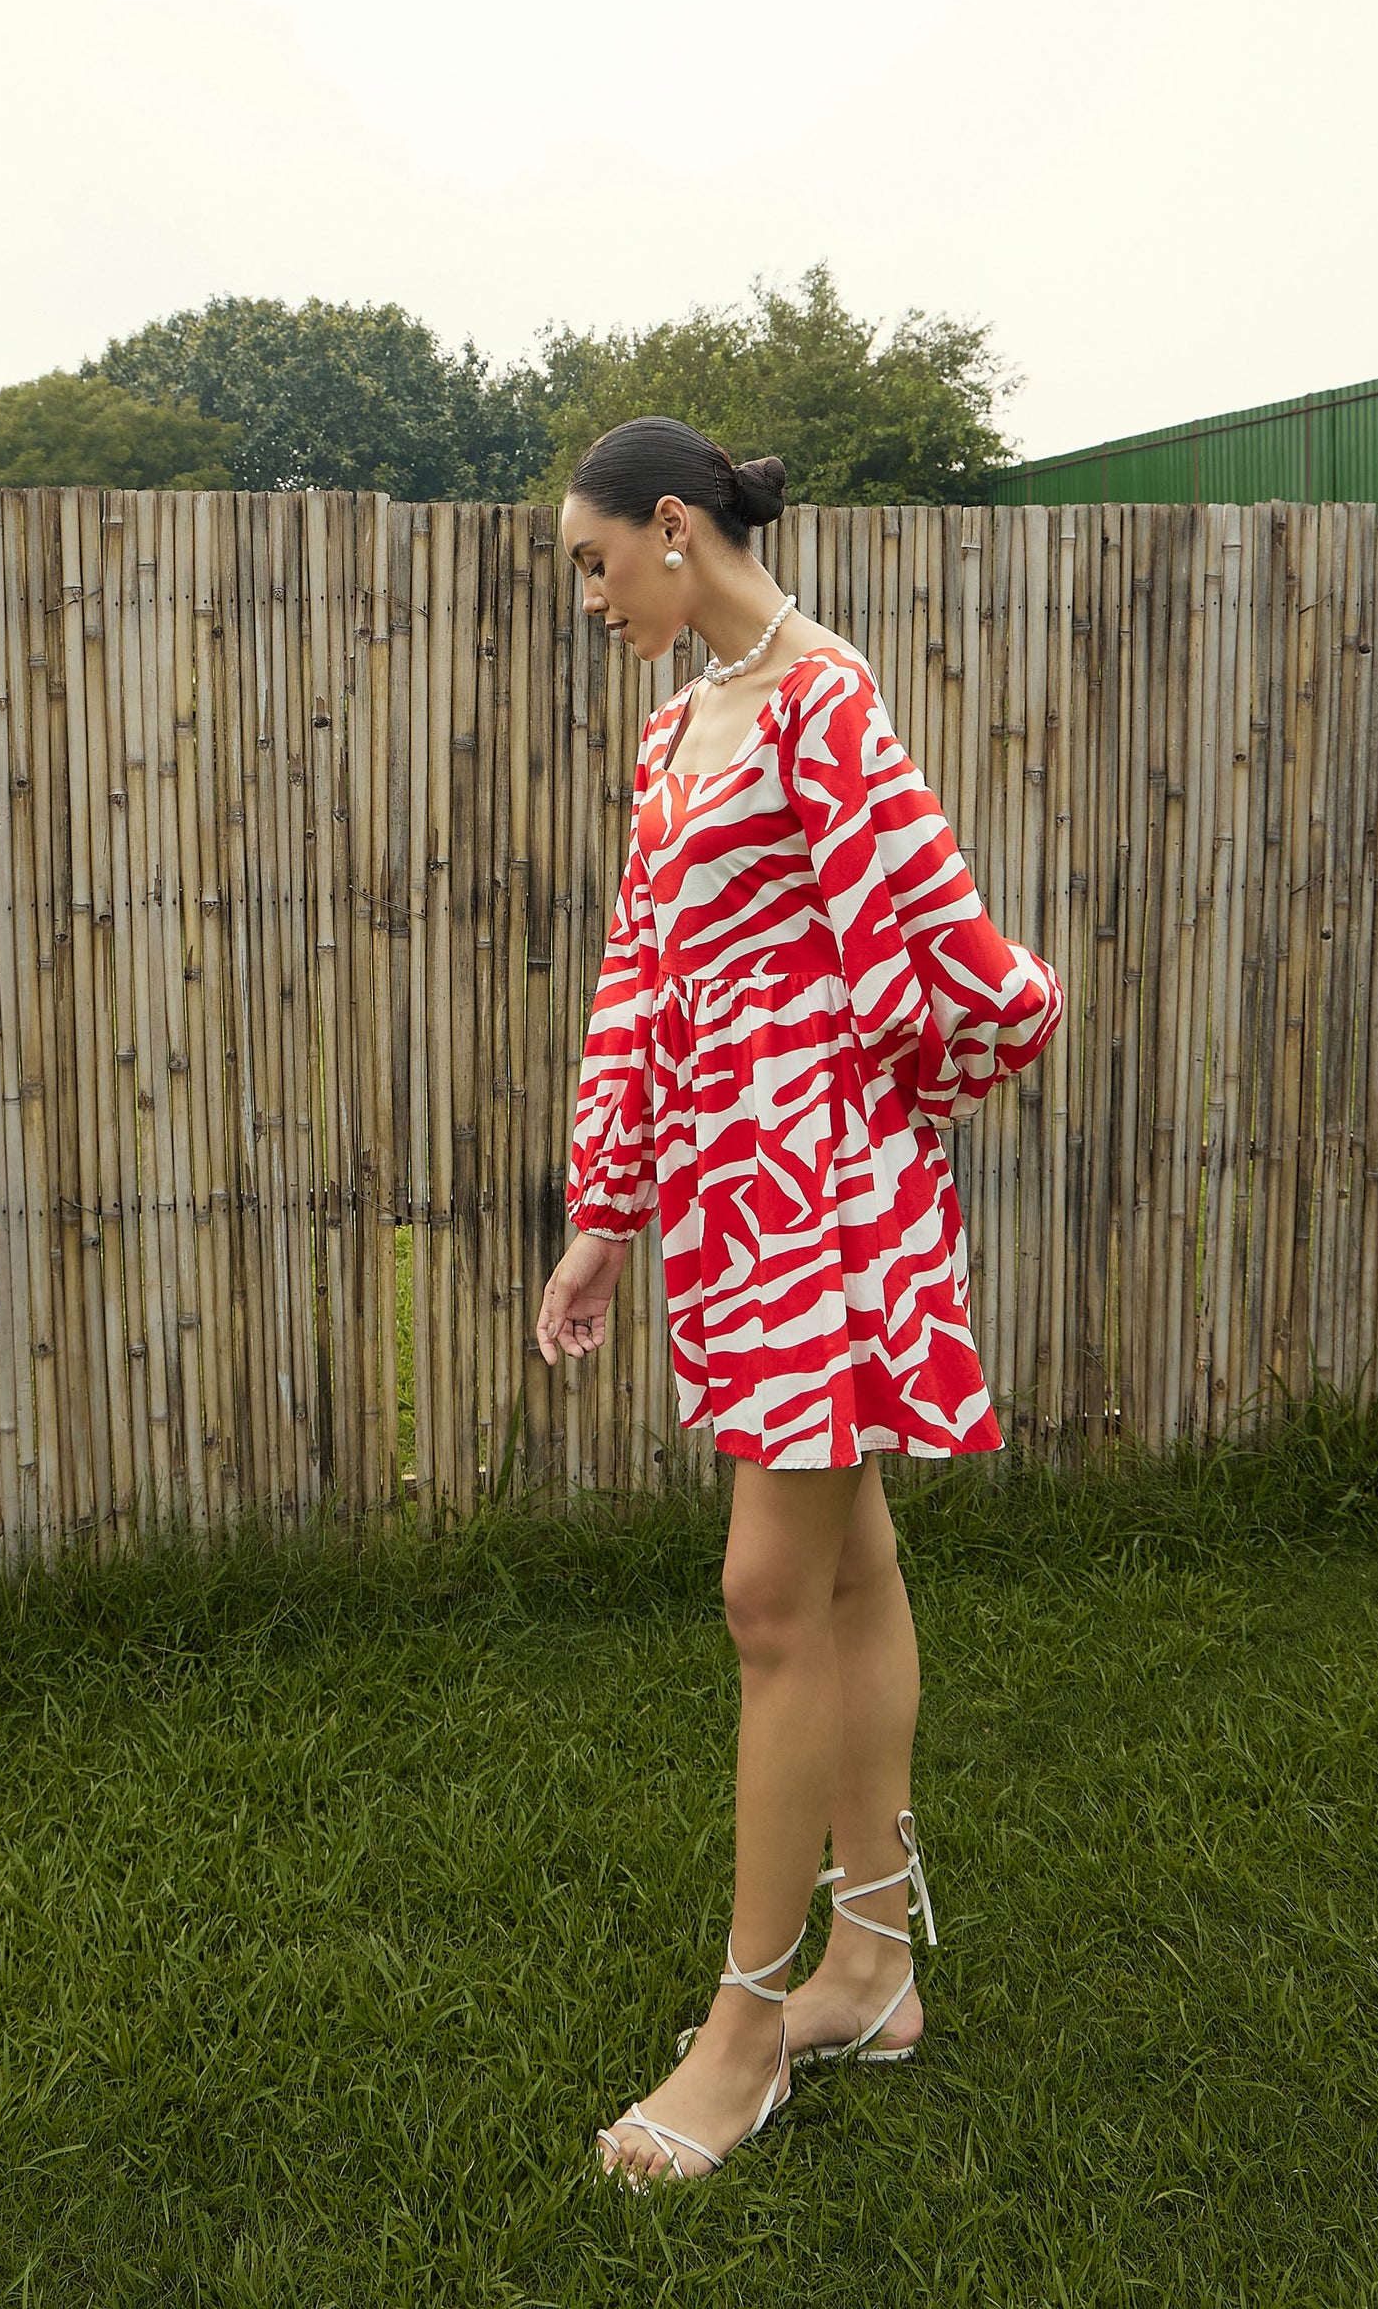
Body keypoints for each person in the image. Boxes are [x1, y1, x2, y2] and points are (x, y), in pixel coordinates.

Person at [535, 417, 1064, 2188]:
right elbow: (641, 978)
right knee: (846, 1574)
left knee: (769, 1596)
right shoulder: (677, 731)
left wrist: (950, 1050)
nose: (591, 596)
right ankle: (874, 1970)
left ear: (674, 529)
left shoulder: (825, 701)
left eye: (596, 561)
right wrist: (606, 1212)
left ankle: (749, 2031)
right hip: (732, 1207)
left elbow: (952, 953)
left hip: (828, 1205)